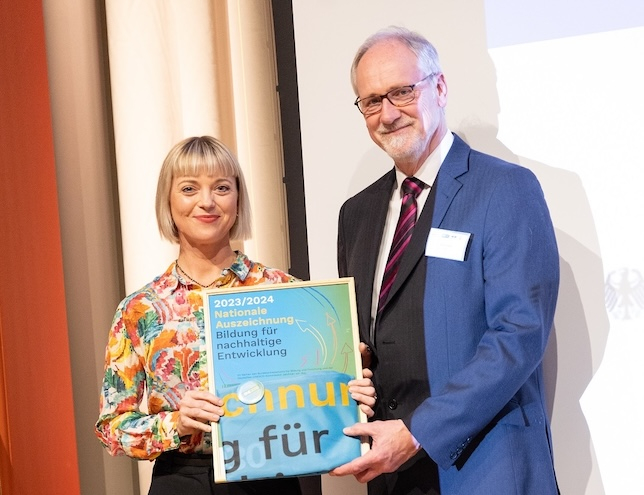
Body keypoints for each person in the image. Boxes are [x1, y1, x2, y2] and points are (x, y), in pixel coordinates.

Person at [331, 26, 560, 495]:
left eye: (401, 92)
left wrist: (417, 433)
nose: (388, 113)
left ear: (439, 87)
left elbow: (519, 335)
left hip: (486, 469)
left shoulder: (505, 190)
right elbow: (366, 338)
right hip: (392, 477)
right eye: (372, 101)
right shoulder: (356, 214)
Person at [95, 136, 376, 495]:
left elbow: (322, 395)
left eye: (222, 187)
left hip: (273, 474)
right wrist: (177, 422)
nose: (207, 202)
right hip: (182, 480)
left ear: (238, 199)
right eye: (189, 188)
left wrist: (348, 390)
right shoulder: (140, 309)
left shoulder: (286, 292)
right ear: (168, 200)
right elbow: (112, 427)